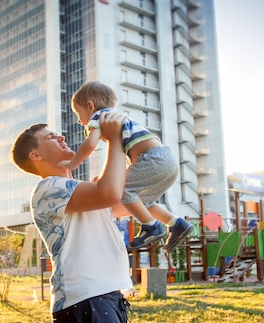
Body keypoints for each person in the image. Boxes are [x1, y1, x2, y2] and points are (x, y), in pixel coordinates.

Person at [11, 112, 134, 323]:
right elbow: (109, 193)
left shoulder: (83, 191)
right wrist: (114, 139)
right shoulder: (47, 188)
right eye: (51, 137)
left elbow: (130, 200)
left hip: (106, 295)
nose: (61, 136)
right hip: (85, 299)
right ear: (35, 155)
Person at [58, 81, 193, 252]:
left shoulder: (99, 118)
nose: (79, 120)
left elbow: (90, 144)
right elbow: (117, 154)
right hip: (167, 160)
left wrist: (73, 163)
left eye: (78, 113)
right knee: (141, 200)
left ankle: (151, 226)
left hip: (153, 159)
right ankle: (176, 223)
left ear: (90, 106)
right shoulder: (117, 118)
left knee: (121, 190)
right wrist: (103, 177)